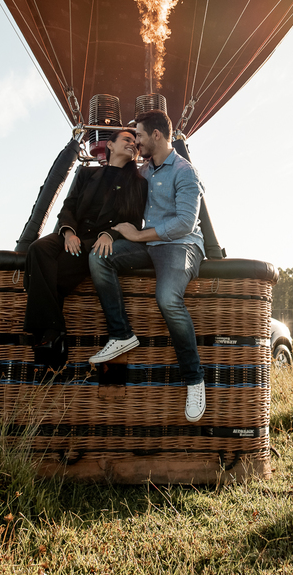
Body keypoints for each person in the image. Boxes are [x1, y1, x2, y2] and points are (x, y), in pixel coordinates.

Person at [87, 109, 207, 422]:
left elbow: (184, 223)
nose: (136, 141)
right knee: (99, 257)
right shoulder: (144, 171)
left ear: (155, 135)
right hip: (150, 245)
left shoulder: (185, 172)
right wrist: (107, 232)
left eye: (139, 135)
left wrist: (139, 235)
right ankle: (121, 334)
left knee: (167, 298)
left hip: (181, 245)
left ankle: (194, 379)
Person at [23, 129, 147, 367]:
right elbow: (68, 206)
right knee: (38, 249)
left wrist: (109, 235)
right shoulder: (87, 173)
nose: (133, 144)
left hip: (99, 239)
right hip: (75, 233)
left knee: (52, 272)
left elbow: (133, 221)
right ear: (110, 145)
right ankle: (54, 331)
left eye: (135, 142)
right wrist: (68, 232)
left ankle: (48, 335)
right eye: (127, 139)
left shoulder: (138, 183)